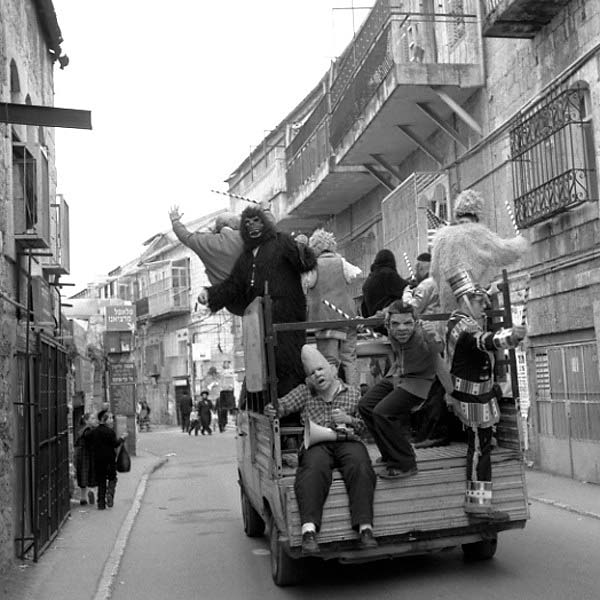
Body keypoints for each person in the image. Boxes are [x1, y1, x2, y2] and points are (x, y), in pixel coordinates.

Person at [264, 346, 377, 555]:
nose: (317, 375)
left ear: (333, 370)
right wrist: (273, 409)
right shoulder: (305, 392)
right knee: (311, 470)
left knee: (360, 465)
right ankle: (309, 530)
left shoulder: (353, 393)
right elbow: (282, 406)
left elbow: (366, 426)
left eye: (320, 369)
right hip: (317, 443)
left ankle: (365, 527)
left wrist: (349, 420)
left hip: (347, 440)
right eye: (312, 373)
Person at [198, 204, 317, 399]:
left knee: (289, 362)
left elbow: (305, 262)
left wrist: (302, 250)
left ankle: (291, 410)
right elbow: (234, 285)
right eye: (248, 222)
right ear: (242, 228)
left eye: (256, 221)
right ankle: (272, 408)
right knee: (267, 367)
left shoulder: (281, 241)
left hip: (287, 316)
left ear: (265, 223)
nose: (252, 225)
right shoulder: (246, 257)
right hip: (262, 321)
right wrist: (209, 294)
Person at [445, 267, 527, 520]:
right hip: (471, 398)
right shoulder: (462, 325)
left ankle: (480, 503)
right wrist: (509, 336)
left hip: (479, 396)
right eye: (480, 301)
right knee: (479, 449)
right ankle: (478, 505)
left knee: (481, 447)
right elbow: (483, 341)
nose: (484, 306)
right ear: (466, 300)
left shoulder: (462, 321)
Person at [358, 300, 447, 479]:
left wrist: (433, 335)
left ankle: (405, 463)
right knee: (365, 405)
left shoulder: (423, 335)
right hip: (397, 375)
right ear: (389, 324)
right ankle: (390, 454)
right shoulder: (388, 324)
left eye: (408, 323)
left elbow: (438, 348)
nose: (402, 328)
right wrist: (363, 320)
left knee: (383, 413)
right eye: (396, 324)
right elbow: (382, 314)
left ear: (415, 322)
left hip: (419, 382)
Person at [431, 189, 529, 312]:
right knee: (472, 327)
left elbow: (434, 272)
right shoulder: (477, 232)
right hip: (471, 300)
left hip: (447, 302)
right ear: (478, 214)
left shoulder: (441, 236)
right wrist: (521, 241)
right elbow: (504, 252)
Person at [304, 229, 362, 386]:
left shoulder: (313, 266)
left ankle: (335, 396)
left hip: (325, 319)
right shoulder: (342, 262)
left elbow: (307, 284)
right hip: (347, 317)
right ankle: (355, 394)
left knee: (330, 361)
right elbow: (355, 275)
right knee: (350, 358)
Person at [169, 207, 243, 286]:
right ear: (235, 225)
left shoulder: (206, 241)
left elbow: (185, 236)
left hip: (223, 294)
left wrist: (175, 221)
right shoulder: (245, 238)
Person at [361, 249, 408, 334]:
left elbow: (363, 306)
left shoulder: (369, 278)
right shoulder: (388, 274)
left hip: (375, 323)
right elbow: (405, 290)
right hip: (389, 321)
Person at [88, 410, 127, 510]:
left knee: (101, 481)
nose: (112, 420)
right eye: (109, 418)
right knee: (112, 478)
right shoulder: (110, 432)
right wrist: (122, 438)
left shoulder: (94, 431)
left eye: (111, 418)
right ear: (103, 420)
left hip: (98, 460)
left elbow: (89, 441)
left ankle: (101, 503)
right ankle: (110, 493)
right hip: (109, 460)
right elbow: (115, 444)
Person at [402, 252, 439, 317]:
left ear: (419, 267)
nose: (416, 274)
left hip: (427, 323)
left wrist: (408, 290)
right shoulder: (440, 281)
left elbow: (410, 309)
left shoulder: (425, 285)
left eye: (416, 270)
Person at [74, 413, 97, 506]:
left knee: (83, 475)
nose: (94, 420)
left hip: (81, 455)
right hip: (87, 454)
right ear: (86, 421)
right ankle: (90, 492)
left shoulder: (81, 429)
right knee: (90, 473)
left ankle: (83, 497)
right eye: (92, 418)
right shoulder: (88, 430)